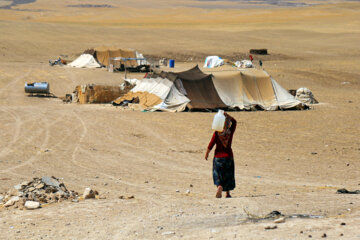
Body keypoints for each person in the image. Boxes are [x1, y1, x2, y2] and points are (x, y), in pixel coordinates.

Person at [205, 112, 237, 198]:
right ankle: (227, 193)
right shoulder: (230, 132)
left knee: (218, 174)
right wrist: (227, 115)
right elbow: (234, 122)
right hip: (228, 157)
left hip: (218, 158)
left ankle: (219, 186)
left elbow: (211, 144)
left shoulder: (217, 133)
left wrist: (207, 153)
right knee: (228, 175)